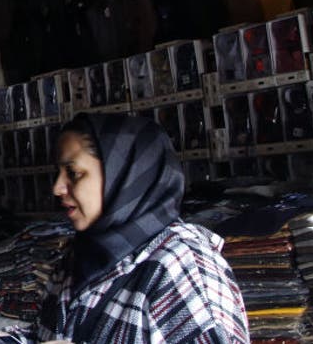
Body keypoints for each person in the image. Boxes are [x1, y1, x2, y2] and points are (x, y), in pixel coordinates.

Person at [39, 113, 249, 344]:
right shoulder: (76, 260)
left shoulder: (182, 271)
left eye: (73, 173)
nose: (57, 188)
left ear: (122, 174)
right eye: (58, 173)